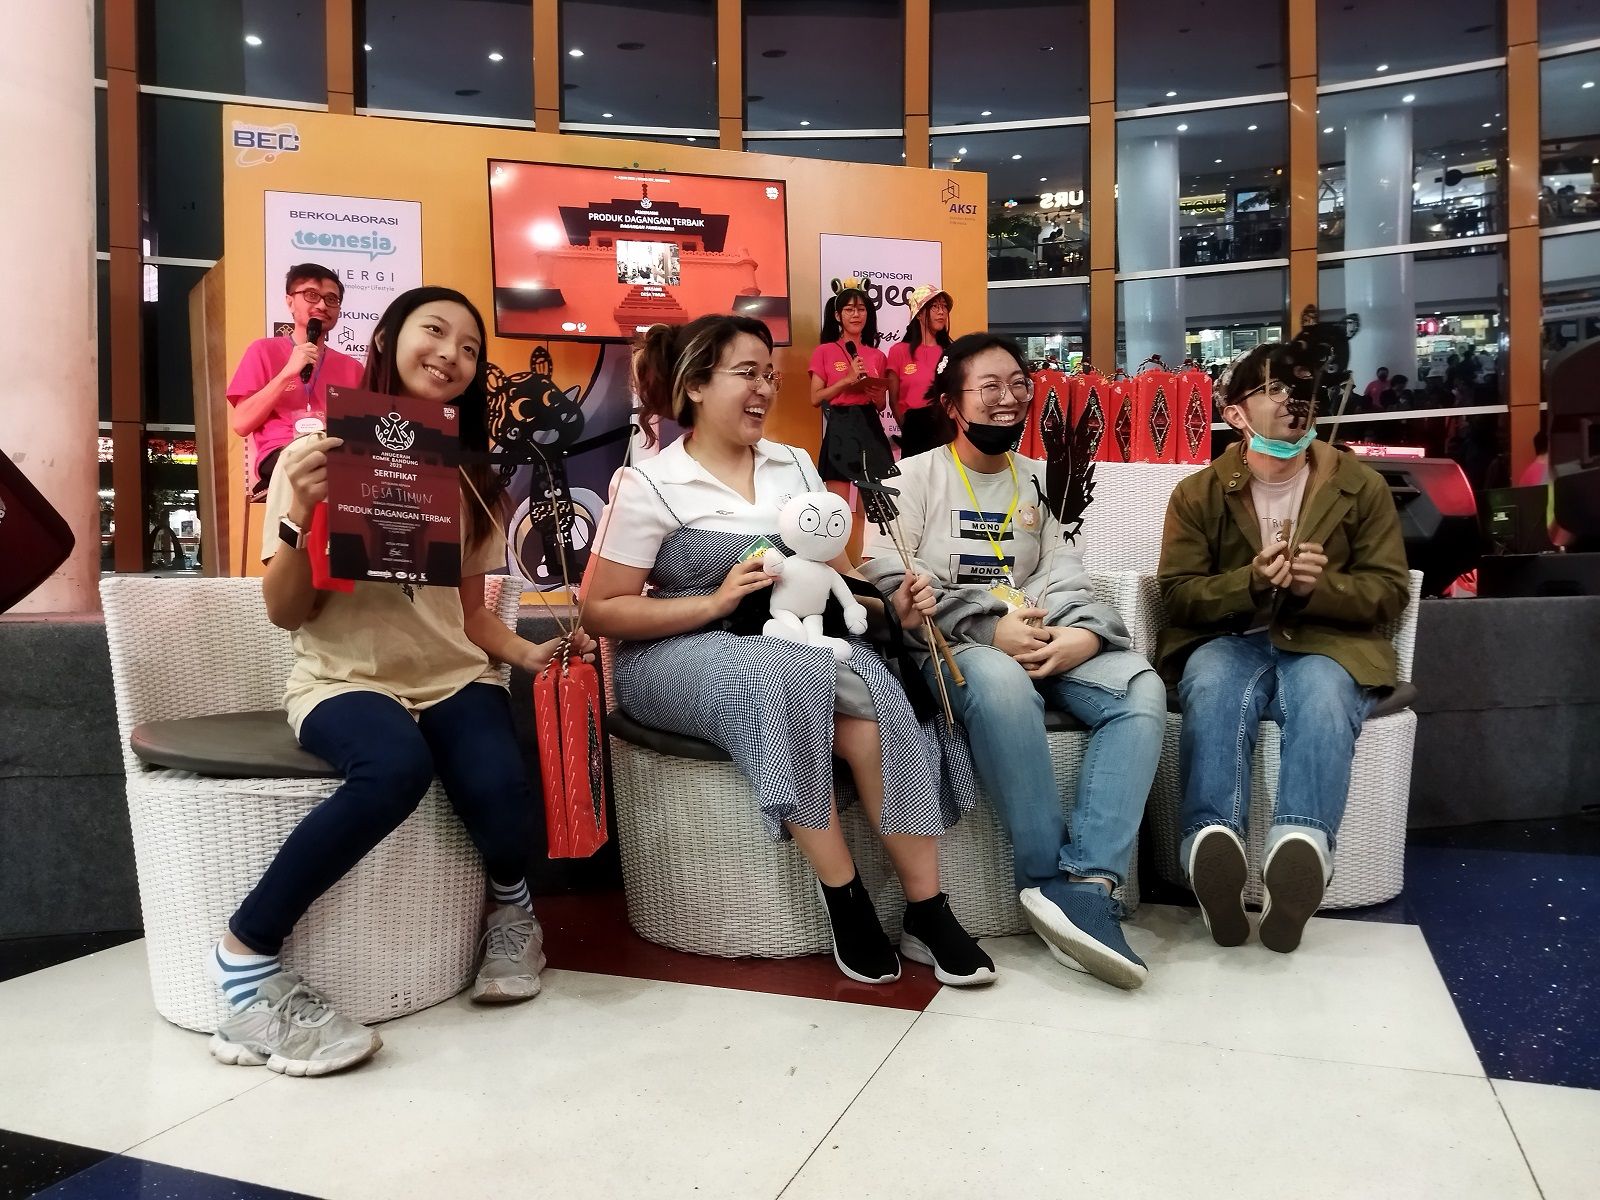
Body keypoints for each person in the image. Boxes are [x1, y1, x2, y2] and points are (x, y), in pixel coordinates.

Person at [209, 286, 595, 1076]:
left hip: (452, 676)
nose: (452, 354)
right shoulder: (314, 456)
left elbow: (472, 618)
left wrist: (531, 655)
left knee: (498, 782)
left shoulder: (473, 480)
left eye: (470, 348)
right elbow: (285, 612)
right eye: (435, 332)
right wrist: (300, 514)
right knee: (393, 767)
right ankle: (245, 963)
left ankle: (513, 913)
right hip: (343, 676)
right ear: (387, 337)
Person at [582, 314, 995, 988]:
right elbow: (601, 609)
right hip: (677, 650)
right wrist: (713, 603)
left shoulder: (796, 464)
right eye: (747, 373)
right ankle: (844, 895)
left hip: (801, 636)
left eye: (770, 376)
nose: (765, 389)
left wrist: (891, 606)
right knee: (788, 673)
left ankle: (928, 907)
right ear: (694, 385)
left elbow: (841, 576)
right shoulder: (648, 483)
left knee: (874, 697)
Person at [860, 332, 1166, 990]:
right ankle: (1044, 878)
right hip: (957, 649)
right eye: (989, 386)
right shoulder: (909, 479)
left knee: (1140, 687)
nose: (1008, 398)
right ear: (952, 404)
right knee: (998, 682)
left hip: (1047, 634)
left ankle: (1087, 884)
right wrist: (987, 626)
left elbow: (1065, 572)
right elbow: (886, 576)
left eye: (1018, 384)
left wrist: (1084, 637)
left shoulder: (1045, 479)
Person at [1157, 344, 1409, 954]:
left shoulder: (1359, 485)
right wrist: (1249, 582)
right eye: (1272, 390)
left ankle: (1302, 850)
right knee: (1213, 685)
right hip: (1230, 639)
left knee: (1323, 694)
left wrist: (1323, 587)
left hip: (1327, 641)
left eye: (1301, 389)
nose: (1292, 401)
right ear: (1235, 414)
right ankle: (1212, 844)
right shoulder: (1199, 493)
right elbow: (1178, 594)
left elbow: (1390, 591)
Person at [227, 264, 366, 497]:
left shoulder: (352, 368)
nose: (322, 305)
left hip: (336, 453)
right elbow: (241, 424)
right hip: (283, 454)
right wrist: (287, 373)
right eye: (312, 295)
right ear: (290, 301)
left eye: (331, 299)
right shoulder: (263, 351)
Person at [809, 282, 891, 505]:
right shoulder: (824, 351)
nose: (856, 315)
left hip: (870, 424)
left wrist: (877, 396)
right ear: (837, 315)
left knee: (873, 509)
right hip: (841, 425)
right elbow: (815, 398)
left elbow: (881, 406)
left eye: (861, 309)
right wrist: (847, 380)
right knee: (839, 508)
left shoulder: (877, 356)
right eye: (849, 309)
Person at [887, 285, 953, 459]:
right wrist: (908, 429)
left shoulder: (950, 351)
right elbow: (893, 399)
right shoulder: (899, 351)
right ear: (919, 313)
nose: (942, 312)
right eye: (935, 306)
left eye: (944, 306)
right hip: (914, 428)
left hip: (946, 425)